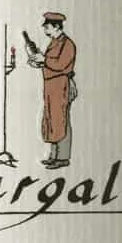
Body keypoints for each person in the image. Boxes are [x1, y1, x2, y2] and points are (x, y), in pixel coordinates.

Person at [26, 14, 77, 166]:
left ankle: (62, 157)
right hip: (51, 85)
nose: (45, 30)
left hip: (61, 84)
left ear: (56, 27)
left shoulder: (67, 44)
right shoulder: (54, 43)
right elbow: (49, 64)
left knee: (61, 120)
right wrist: (36, 61)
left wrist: (44, 60)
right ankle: (54, 155)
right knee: (52, 119)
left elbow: (61, 64)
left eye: (47, 27)